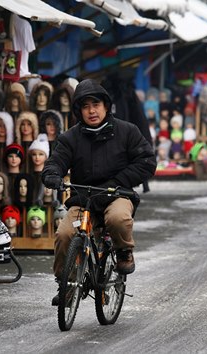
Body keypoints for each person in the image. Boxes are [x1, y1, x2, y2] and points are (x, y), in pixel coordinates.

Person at [41, 79, 157, 305]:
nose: (91, 111)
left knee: (118, 218)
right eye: (85, 106)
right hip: (84, 199)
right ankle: (67, 284)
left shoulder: (127, 131)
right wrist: (52, 174)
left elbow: (147, 161)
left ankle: (123, 252)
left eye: (96, 104)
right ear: (78, 110)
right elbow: (55, 161)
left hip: (117, 194)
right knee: (65, 234)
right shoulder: (70, 137)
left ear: (106, 105)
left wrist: (117, 182)